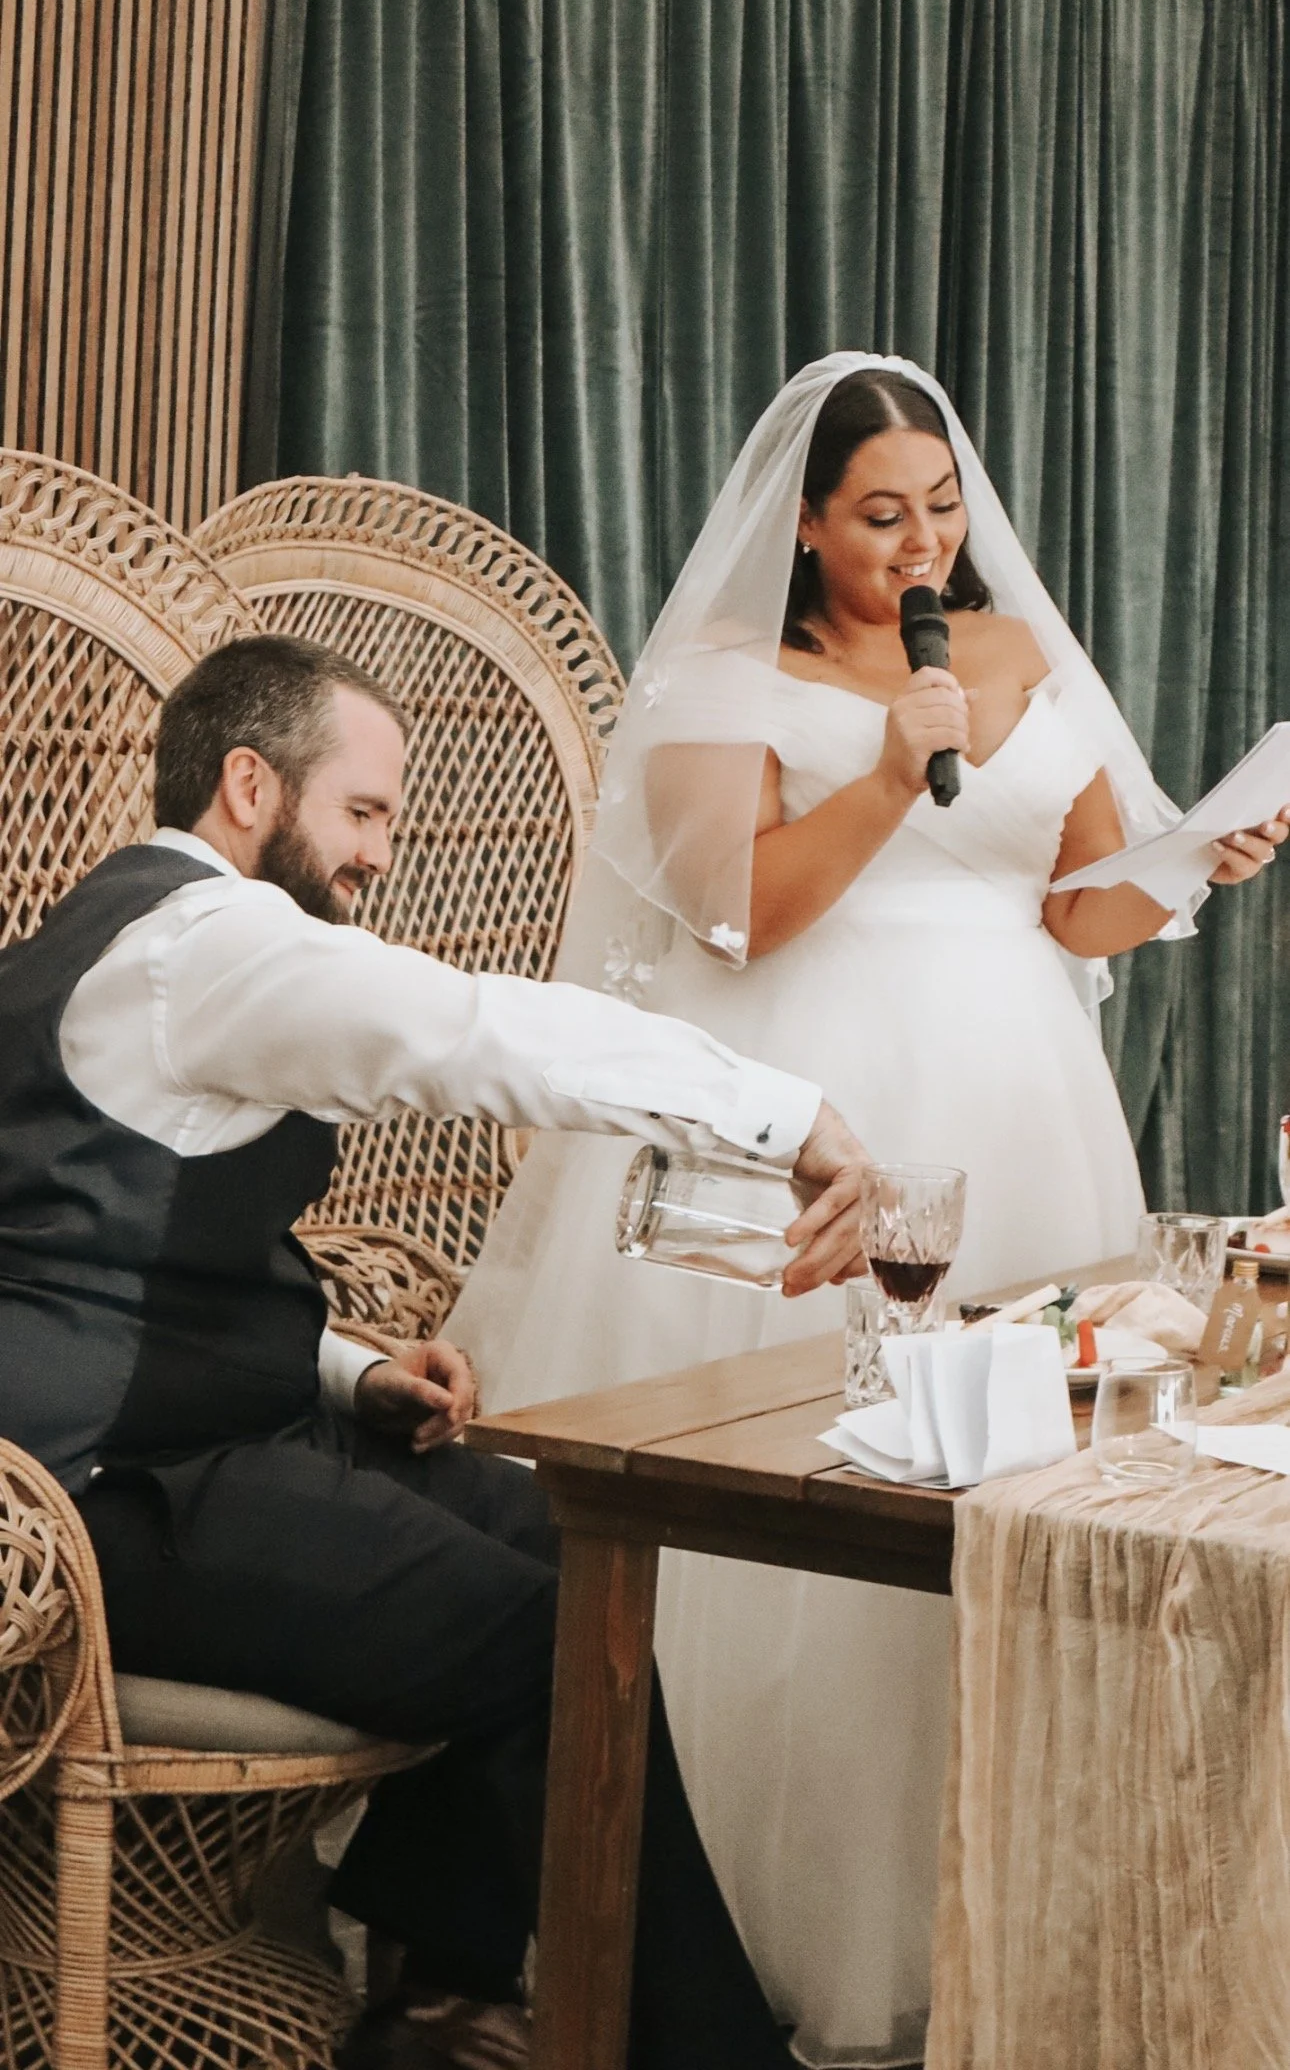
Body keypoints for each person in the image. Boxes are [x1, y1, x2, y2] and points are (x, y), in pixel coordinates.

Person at [448, 353, 1290, 2069]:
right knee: (805, 1511)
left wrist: (1190, 861)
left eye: (940, 509)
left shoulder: (1023, 656)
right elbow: (738, 914)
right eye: (878, 517)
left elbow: (1066, 918)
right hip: (809, 1124)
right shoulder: (720, 678)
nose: (920, 545)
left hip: (1025, 1118)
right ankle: (743, 1933)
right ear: (808, 522)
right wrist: (893, 767)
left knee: (1019, 1491)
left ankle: (1007, 1898)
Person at [0, 633, 875, 2070]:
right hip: (102, 1498)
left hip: (201, 1441)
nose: (380, 855)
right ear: (245, 786)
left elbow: (123, 1249)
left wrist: (350, 1371)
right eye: (364, 812)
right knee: (551, 1644)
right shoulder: (209, 949)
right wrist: (785, 1118)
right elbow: (470, 1029)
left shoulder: (114, 943)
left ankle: (433, 1989)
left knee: (563, 1538)